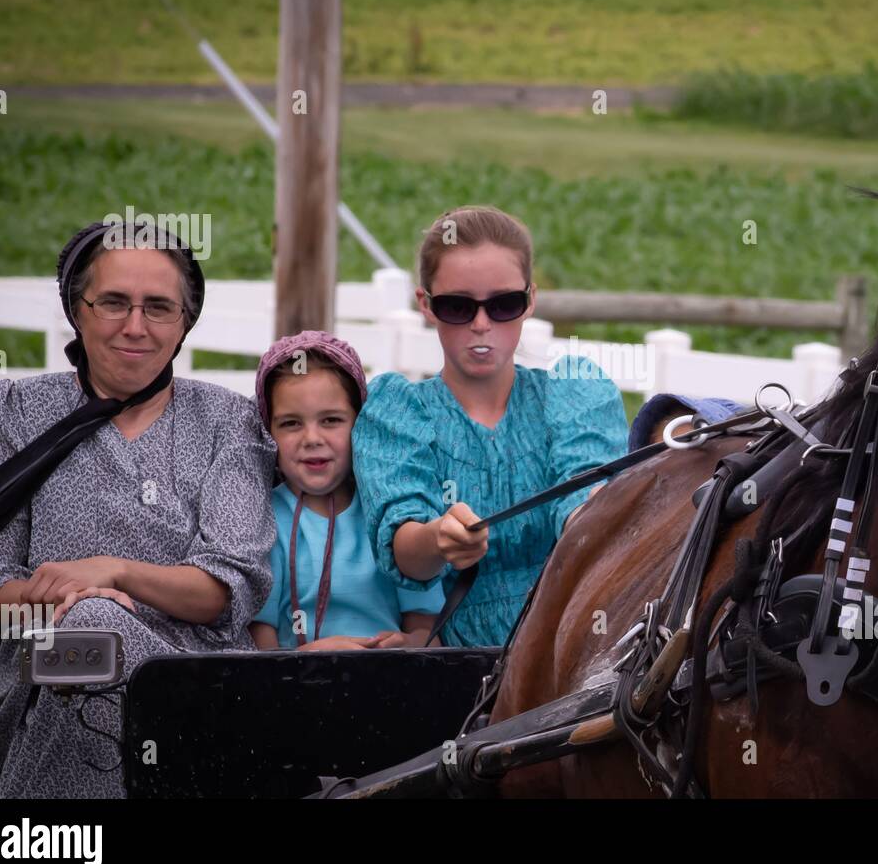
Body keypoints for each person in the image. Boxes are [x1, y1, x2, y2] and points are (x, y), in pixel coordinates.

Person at [0, 221, 275, 797]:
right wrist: (63, 600)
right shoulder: (12, 413)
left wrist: (114, 573)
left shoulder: (228, 423)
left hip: (188, 666)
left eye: (158, 308)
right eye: (113, 303)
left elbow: (225, 589)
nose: (135, 326)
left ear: (184, 324)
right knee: (85, 638)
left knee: (96, 631)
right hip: (41, 660)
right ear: (77, 310)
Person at [354, 206, 629, 647]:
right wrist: (437, 539)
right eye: (458, 307)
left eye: (504, 305)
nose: (482, 325)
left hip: (571, 640)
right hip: (459, 654)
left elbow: (585, 505)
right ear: (426, 305)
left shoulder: (576, 393)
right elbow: (405, 553)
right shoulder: (398, 411)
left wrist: (601, 507)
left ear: (531, 301)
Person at [250, 331, 443, 651]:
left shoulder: (392, 518)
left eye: (331, 420)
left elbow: (428, 634)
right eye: (291, 424)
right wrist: (310, 656)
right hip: (293, 692)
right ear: (268, 431)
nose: (311, 438)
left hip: (392, 688)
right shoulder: (264, 520)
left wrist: (406, 645)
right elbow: (260, 646)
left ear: (360, 426)